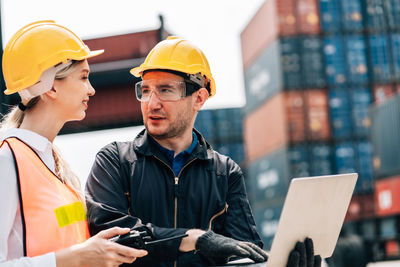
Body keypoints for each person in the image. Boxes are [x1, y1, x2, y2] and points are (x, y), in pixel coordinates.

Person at [85, 36, 320, 267]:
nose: (152, 103)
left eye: (165, 90)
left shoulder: (225, 173)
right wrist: (195, 239)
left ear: (199, 98)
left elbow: (245, 254)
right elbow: (114, 237)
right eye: (145, 91)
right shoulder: (115, 162)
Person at [0, 20, 147, 267]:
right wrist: (78, 257)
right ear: (51, 87)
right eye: (83, 77)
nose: (91, 90)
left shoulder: (56, 168)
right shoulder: (7, 163)